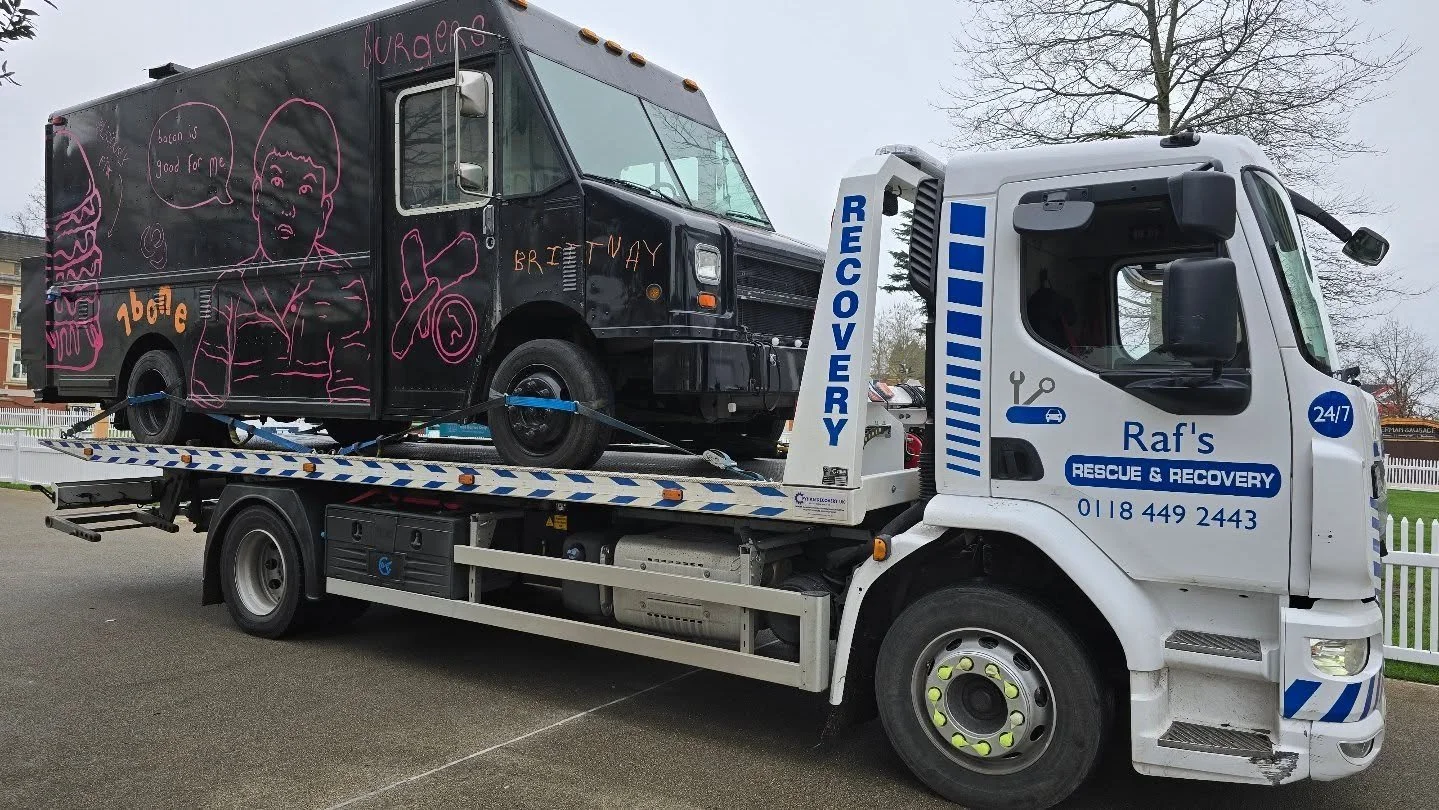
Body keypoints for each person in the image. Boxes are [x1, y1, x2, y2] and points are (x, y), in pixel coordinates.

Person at [191, 98, 371, 408]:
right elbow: (207, 391)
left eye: (305, 191)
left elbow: (352, 391)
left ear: (324, 211)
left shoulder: (344, 285)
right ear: (257, 198)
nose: (288, 207)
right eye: (277, 184)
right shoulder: (229, 290)